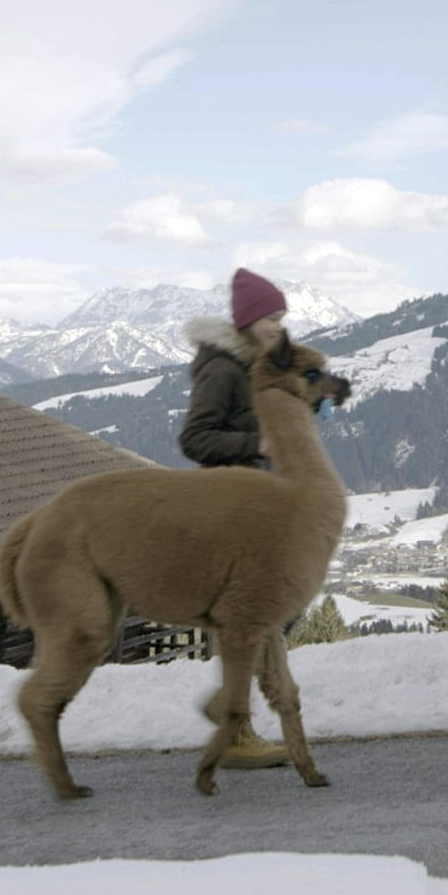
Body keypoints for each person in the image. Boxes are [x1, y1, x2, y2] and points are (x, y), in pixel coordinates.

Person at [177, 267, 295, 769]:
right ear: (248, 319)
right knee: (249, 621)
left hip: (254, 508)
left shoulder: (251, 364)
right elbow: (194, 438)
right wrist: (257, 443)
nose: (278, 324)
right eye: (272, 316)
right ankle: (237, 730)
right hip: (226, 514)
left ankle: (230, 714)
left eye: (281, 316)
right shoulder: (222, 370)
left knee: (266, 617)